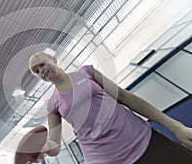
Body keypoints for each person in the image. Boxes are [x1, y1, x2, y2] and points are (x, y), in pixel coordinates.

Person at [27, 51, 192, 164]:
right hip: (105, 159)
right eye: (37, 71)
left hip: (144, 140)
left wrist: (176, 127)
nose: (41, 71)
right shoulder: (52, 104)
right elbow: (54, 144)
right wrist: (41, 149)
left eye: (42, 64)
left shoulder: (87, 73)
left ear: (53, 59)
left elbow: (124, 97)